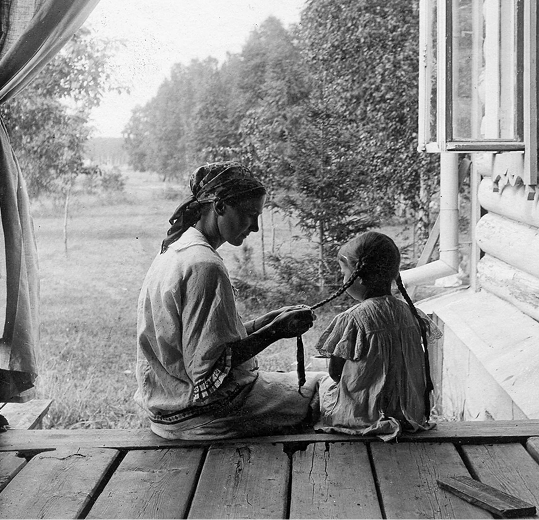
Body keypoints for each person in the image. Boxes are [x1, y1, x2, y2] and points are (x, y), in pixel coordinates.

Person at [134, 161, 324, 440]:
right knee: (323, 386)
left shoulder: (176, 251)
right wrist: (275, 332)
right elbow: (208, 368)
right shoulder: (205, 265)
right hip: (206, 414)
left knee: (299, 378)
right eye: (250, 214)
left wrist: (264, 322)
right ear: (220, 206)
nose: (255, 227)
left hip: (167, 412)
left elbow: (199, 342)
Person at [313, 231, 438, 441]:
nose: (343, 280)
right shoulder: (411, 314)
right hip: (410, 414)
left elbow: (335, 373)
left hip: (364, 415)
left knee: (320, 386)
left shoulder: (352, 319)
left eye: (344, 273)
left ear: (359, 277)